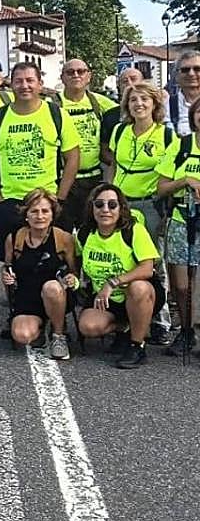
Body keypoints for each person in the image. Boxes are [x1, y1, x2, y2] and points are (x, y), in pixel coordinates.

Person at [0, 62, 81, 264]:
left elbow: (73, 157)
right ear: (11, 85)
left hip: (48, 201)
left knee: (56, 260)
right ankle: (16, 297)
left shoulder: (57, 115)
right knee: (12, 262)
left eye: (30, 80)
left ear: (40, 84)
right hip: (11, 202)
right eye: (18, 81)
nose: (24, 86)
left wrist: (60, 197)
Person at [106, 80, 173, 346]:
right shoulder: (120, 131)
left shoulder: (166, 136)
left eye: (145, 99)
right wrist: (109, 194)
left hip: (149, 204)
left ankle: (160, 320)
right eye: (133, 100)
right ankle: (125, 317)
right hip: (121, 204)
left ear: (155, 104)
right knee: (123, 257)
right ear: (127, 105)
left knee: (154, 261)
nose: (139, 104)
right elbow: (111, 163)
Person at [76, 183, 163, 369]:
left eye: (112, 205)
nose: (105, 210)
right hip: (106, 301)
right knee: (88, 326)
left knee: (138, 287)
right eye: (99, 204)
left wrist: (113, 282)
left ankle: (137, 345)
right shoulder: (85, 234)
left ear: (121, 208)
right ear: (91, 208)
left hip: (139, 296)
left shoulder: (133, 230)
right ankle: (126, 327)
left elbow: (147, 269)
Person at [1, 189, 78, 359]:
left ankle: (58, 335)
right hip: (28, 296)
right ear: (26, 214)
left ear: (52, 214)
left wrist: (72, 279)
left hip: (56, 294)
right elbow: (7, 267)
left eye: (45, 211)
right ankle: (41, 326)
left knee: (51, 287)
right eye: (34, 211)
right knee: (23, 335)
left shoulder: (63, 238)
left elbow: (74, 270)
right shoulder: (14, 238)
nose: (40, 216)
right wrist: (7, 276)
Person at [155, 98, 200, 356]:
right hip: (182, 221)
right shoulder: (181, 146)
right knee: (181, 285)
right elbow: (160, 188)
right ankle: (185, 330)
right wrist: (185, 180)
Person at [56, 59, 115, 231]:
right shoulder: (53, 104)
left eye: (81, 71)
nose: (76, 75)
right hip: (62, 180)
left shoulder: (100, 103)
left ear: (89, 76)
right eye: (70, 72)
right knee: (62, 233)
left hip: (93, 179)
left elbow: (129, 113)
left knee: (91, 232)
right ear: (62, 77)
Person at [99, 67, 143, 157]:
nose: (129, 83)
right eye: (125, 81)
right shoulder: (110, 116)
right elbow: (104, 151)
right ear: (119, 86)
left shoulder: (155, 112)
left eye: (133, 79)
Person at [168, 50, 200, 137]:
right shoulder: (165, 105)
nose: (191, 73)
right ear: (177, 75)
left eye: (197, 69)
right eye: (185, 70)